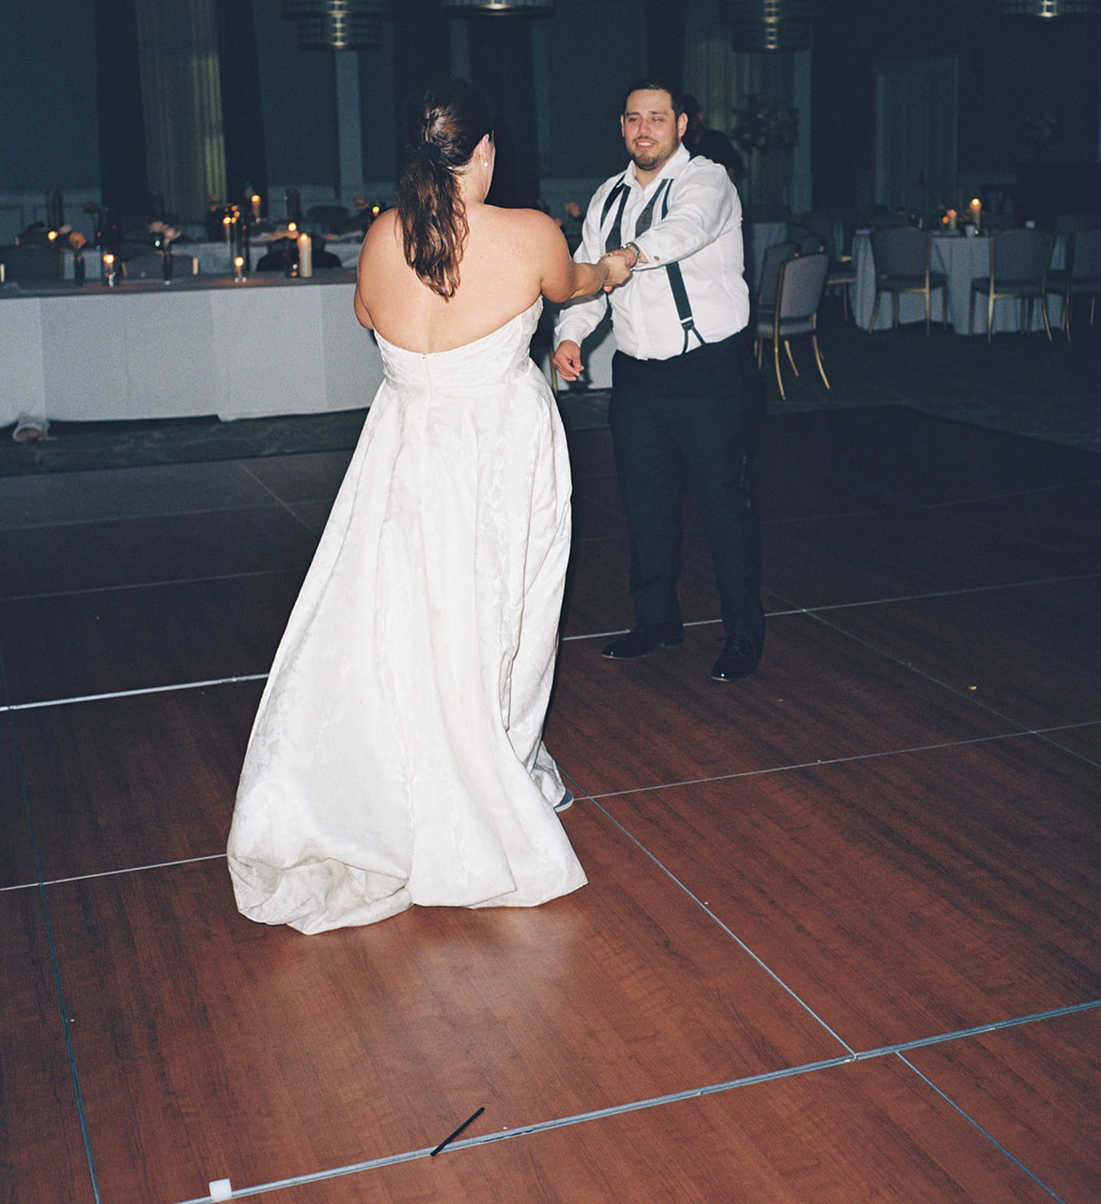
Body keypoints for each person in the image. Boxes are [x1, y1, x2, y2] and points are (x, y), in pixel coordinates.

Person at [228, 80, 630, 933]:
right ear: (484, 151)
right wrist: (617, 267)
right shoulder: (528, 232)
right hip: (498, 453)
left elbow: (367, 313)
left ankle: (402, 780)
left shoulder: (380, 235)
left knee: (404, 615)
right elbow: (574, 281)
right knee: (505, 611)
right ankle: (498, 765)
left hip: (405, 454)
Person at [552, 79, 764, 684]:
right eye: (633, 118)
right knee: (644, 505)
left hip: (709, 372)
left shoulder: (708, 181)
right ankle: (655, 622)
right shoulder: (606, 196)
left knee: (725, 508)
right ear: (621, 127)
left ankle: (744, 635)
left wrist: (627, 257)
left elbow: (683, 232)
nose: (644, 128)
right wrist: (571, 333)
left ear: (682, 125)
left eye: (657, 117)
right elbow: (590, 277)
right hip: (638, 378)